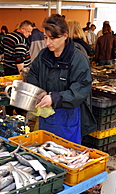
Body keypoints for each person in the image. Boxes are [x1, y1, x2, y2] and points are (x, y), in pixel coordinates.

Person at [27, 14, 96, 144]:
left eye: (53, 38)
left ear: (65, 36)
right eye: (46, 38)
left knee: (66, 155)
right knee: (44, 150)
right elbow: (32, 74)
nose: (48, 43)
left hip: (68, 117)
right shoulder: (43, 55)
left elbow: (81, 88)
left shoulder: (78, 59)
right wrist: (38, 92)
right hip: (46, 116)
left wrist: (54, 98)